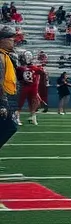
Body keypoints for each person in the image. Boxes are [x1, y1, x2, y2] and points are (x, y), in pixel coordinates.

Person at [0, 25, 20, 157]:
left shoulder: (6, 56)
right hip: (3, 98)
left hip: (7, 97)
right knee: (9, 127)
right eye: (10, 38)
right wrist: (2, 103)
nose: (13, 40)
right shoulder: (1, 57)